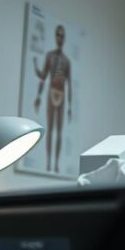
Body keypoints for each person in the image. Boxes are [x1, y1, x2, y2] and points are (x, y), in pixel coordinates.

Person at [33, 25, 73, 173]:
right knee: (50, 129)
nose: (60, 38)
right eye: (58, 35)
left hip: (62, 95)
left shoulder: (67, 61)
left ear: (64, 38)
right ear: (55, 37)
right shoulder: (49, 56)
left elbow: (69, 85)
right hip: (51, 92)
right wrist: (38, 96)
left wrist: (69, 106)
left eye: (62, 35)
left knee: (59, 131)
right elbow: (43, 77)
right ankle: (49, 163)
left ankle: (56, 163)